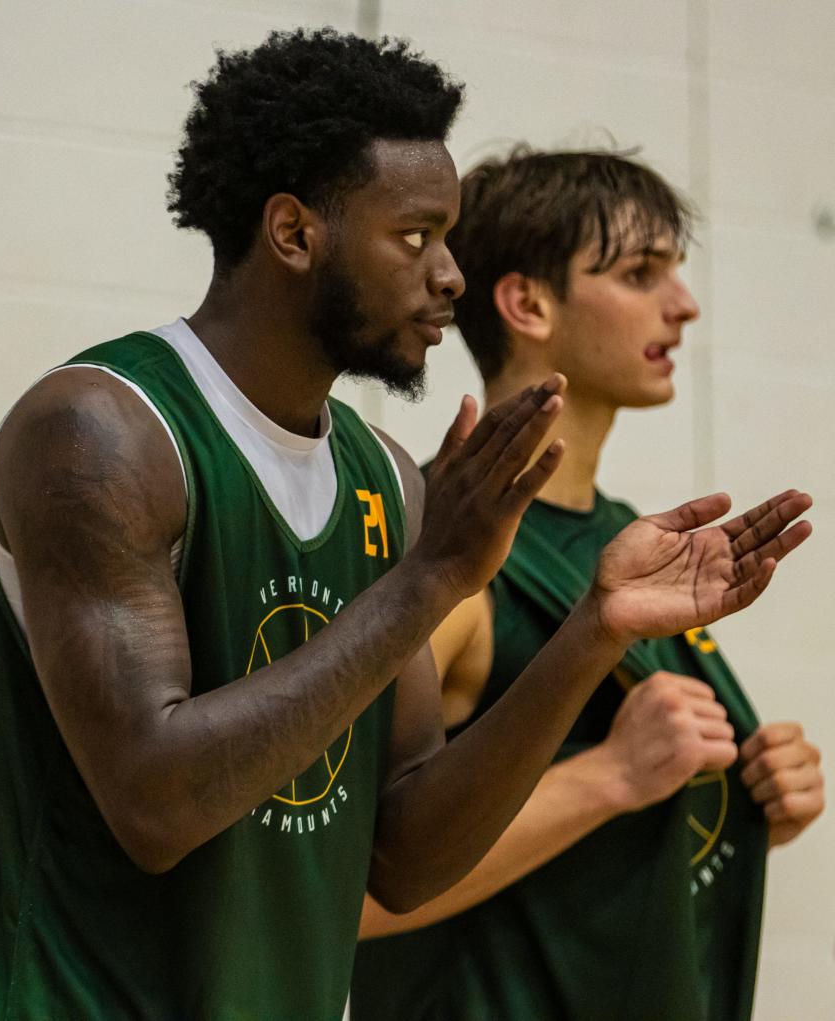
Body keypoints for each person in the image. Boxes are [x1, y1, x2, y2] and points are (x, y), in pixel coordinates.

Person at [0, 30, 812, 1019]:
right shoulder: (102, 429)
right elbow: (155, 802)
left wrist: (593, 632)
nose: (451, 276)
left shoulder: (380, 475)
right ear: (296, 234)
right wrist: (426, 584)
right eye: (416, 236)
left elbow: (406, 859)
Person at [351, 148, 824, 1021]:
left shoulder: (625, 538)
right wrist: (607, 777)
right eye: (642, 273)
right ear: (528, 302)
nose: (682, 306)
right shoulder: (444, 550)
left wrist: (750, 802)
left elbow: (644, 802)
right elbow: (338, 894)